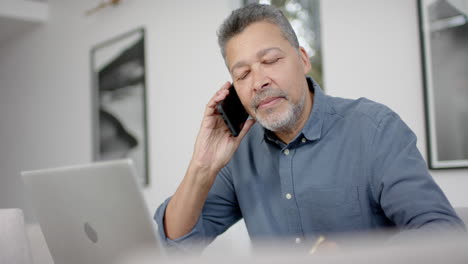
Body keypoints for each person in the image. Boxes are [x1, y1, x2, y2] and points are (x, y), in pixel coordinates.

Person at [154, 3, 465, 251]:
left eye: (271, 60)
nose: (259, 81)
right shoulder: (238, 153)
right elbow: (179, 244)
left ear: (302, 60)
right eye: (243, 73)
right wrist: (202, 166)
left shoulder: (373, 129)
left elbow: (442, 234)